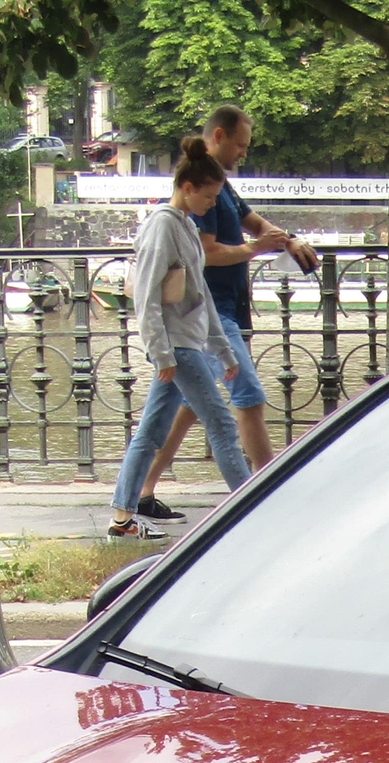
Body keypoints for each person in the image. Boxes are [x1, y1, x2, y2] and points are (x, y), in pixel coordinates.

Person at [128, 104, 316, 516]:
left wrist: (290, 241)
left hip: (218, 312)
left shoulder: (221, 186)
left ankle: (140, 492)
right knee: (247, 397)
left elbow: (254, 223)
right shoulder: (204, 194)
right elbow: (208, 254)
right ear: (218, 137)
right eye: (240, 145)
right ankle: (266, 493)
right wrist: (253, 250)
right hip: (210, 313)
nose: (244, 153)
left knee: (187, 406)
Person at [109, 137, 251, 539]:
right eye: (208, 196)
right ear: (188, 188)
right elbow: (148, 295)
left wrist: (222, 349)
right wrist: (161, 353)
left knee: (152, 432)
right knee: (222, 424)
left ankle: (122, 519)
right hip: (177, 348)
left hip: (184, 345)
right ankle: (249, 507)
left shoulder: (185, 226)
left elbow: (200, 294)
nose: (212, 205)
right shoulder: (163, 228)